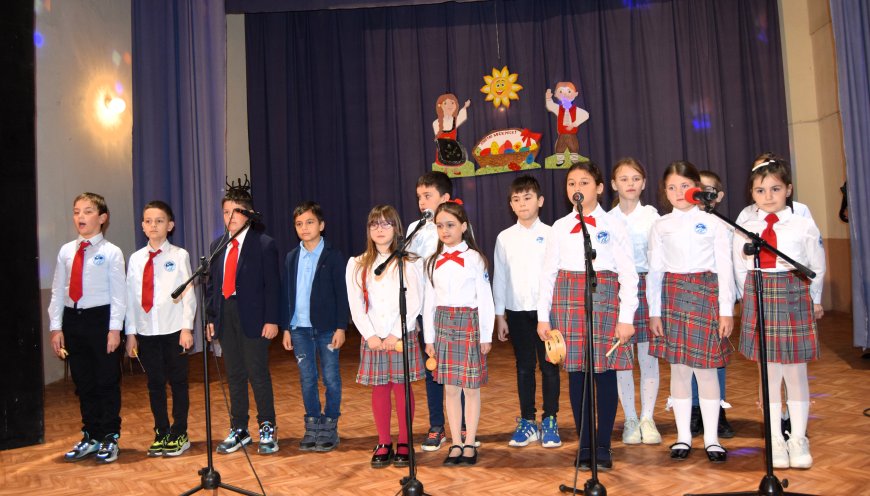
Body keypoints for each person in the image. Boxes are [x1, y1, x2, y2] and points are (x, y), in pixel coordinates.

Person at [537, 161, 638, 471]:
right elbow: (548, 274)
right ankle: (584, 444)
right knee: (577, 374)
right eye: (571, 183)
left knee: (604, 373)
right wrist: (543, 316)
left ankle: (603, 444)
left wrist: (626, 316)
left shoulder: (614, 224)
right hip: (567, 299)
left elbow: (628, 273)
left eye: (584, 182)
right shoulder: (559, 226)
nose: (576, 188)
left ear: (599, 188)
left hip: (604, 298)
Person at [733, 158, 825, 469]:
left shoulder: (802, 224)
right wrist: (746, 299)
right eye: (760, 190)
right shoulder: (746, 226)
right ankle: (774, 438)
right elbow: (739, 266)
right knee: (770, 373)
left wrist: (814, 298)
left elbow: (816, 264)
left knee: (795, 372)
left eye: (775, 189)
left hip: (793, 293)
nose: (768, 196)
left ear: (788, 189)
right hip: (760, 292)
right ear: (751, 193)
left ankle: (798, 438)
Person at [648, 161, 735, 463]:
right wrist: (655, 312)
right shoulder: (661, 225)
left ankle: (711, 439)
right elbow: (655, 271)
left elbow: (725, 268)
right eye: (671, 187)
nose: (678, 192)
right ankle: (683, 436)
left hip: (705, 295)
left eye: (684, 186)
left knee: (707, 370)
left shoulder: (714, 223)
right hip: (672, 296)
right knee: (680, 370)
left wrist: (726, 310)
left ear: (697, 188)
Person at [49, 192, 126, 463]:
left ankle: (110, 436)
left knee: (106, 381)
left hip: (101, 320)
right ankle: (91, 435)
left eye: (88, 211)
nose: (80, 216)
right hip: (73, 319)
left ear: (102, 218)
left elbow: (119, 294)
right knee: (83, 382)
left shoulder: (111, 252)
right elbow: (58, 290)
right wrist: (56, 327)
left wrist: (114, 329)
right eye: (76, 211)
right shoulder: (66, 251)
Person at [346, 205, 424, 468]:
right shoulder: (357, 263)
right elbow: (356, 304)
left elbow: (414, 301)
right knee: (380, 387)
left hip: (400, 334)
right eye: (374, 224)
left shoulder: (409, 261)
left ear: (396, 228)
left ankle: (404, 440)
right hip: (373, 337)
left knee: (402, 387)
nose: (379, 229)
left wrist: (395, 333)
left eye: (385, 224)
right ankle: (383, 441)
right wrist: (370, 335)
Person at [206, 184, 280, 455]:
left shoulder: (263, 244)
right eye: (226, 212)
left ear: (249, 214)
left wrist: (272, 319)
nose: (230, 217)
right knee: (234, 374)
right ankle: (239, 428)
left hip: (254, 317)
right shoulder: (217, 245)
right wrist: (211, 317)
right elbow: (211, 286)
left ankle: (267, 426)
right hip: (225, 315)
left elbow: (272, 286)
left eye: (236, 212)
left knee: (257, 373)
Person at [423, 201, 494, 466]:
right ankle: (455, 442)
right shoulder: (432, 261)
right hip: (443, 324)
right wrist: (428, 338)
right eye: (440, 226)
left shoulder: (475, 259)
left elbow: (485, 299)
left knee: (470, 388)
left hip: (469, 323)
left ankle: (470, 442)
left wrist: (485, 334)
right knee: (450, 388)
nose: (445, 230)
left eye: (450, 225)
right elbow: (428, 303)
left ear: (464, 227)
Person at [493, 175, 561, 448]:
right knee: (524, 367)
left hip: (547, 313)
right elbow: (500, 277)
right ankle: (527, 421)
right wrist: (500, 315)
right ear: (511, 205)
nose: (522, 203)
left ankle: (551, 420)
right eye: (516, 199)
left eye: (528, 198)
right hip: (517, 311)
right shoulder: (504, 237)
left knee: (549, 366)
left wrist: (551, 313)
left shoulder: (552, 234)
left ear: (540, 201)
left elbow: (555, 275)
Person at [124, 200, 196, 457]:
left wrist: (186, 328)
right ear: (142, 226)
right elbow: (131, 297)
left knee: (178, 382)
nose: (153, 225)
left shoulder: (179, 255)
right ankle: (161, 431)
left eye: (159, 221)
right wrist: (131, 333)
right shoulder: (135, 259)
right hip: (146, 332)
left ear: (170, 225)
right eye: (148, 221)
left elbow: (188, 295)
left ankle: (180, 432)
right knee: (154, 384)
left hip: (173, 330)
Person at [281, 201, 349, 452]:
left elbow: (342, 294)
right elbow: (286, 293)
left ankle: (330, 424)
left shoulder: (333, 255)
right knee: (307, 378)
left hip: (327, 328)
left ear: (321, 225)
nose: (304, 228)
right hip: (299, 328)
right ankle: (312, 423)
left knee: (331, 377)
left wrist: (341, 327)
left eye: (309, 222)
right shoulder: (291, 257)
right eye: (299, 224)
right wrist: (286, 327)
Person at [608, 158, 662, 445]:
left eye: (636, 178)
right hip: (617, 291)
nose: (630, 184)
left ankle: (647, 418)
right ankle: (630, 418)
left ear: (644, 183)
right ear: (613, 184)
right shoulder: (606, 219)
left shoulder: (652, 217)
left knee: (648, 357)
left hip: (646, 287)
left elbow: (657, 263)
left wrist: (656, 304)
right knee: (623, 359)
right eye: (624, 179)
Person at [406, 171, 460, 451]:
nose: (422, 202)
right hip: (424, 311)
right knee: (432, 368)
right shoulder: (414, 229)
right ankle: (437, 425)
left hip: (453, 310)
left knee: (457, 369)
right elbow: (410, 274)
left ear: (445, 198)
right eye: (419, 197)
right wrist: (413, 314)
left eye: (427, 196)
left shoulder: (458, 226)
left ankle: (462, 425)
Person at [687, 170, 735, 439]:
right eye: (698, 190)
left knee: (716, 357)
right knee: (691, 358)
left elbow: (730, 266)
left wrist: (728, 303)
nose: (702, 196)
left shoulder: (724, 226)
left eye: (708, 191)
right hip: (691, 295)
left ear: (719, 196)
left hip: (716, 297)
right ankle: (695, 409)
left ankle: (717, 410)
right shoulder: (683, 222)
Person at [545, 82, 590, 165]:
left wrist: (574, 124)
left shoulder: (576, 109)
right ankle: (560, 160)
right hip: (562, 134)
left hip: (572, 134)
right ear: (556, 94)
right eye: (561, 91)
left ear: (575, 94)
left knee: (574, 147)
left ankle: (574, 160)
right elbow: (550, 106)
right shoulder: (558, 109)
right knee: (559, 147)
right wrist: (548, 98)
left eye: (569, 91)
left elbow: (586, 115)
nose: (565, 94)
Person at [433, 93, 471, 166]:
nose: (449, 106)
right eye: (445, 103)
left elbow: (462, 117)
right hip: (442, 153)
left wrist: (465, 107)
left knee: (457, 163)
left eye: (452, 103)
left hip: (454, 151)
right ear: (440, 106)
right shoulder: (435, 123)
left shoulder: (454, 121)